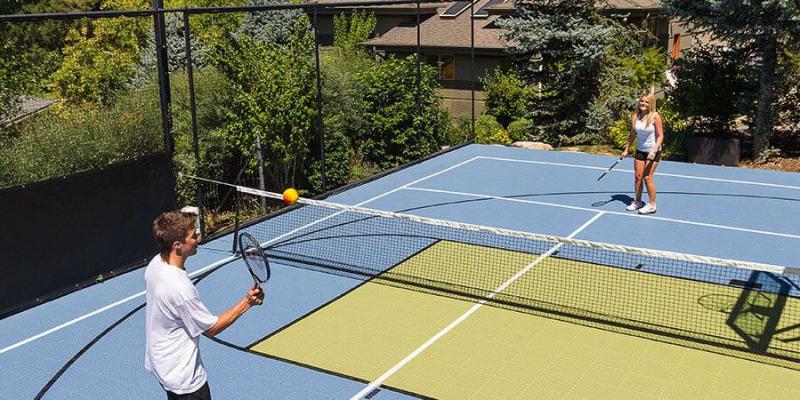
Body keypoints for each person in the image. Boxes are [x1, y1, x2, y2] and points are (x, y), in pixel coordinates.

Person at [145, 210, 264, 400]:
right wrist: (247, 302)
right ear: (177, 245)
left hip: (161, 363)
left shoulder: (156, 264)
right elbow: (212, 328)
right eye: (193, 236)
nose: (198, 238)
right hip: (184, 377)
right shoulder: (181, 289)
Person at [621, 91, 664, 215]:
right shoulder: (635, 116)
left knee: (647, 177)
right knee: (638, 177)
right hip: (640, 150)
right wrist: (627, 149)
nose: (643, 103)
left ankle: (651, 205)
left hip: (653, 151)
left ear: (651, 104)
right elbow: (632, 134)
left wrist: (654, 150)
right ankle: (638, 201)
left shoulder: (655, 116)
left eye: (647, 102)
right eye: (642, 101)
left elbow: (661, 136)